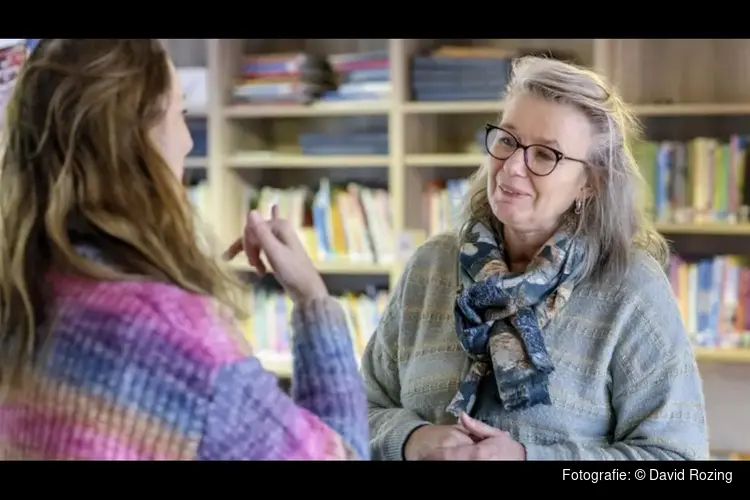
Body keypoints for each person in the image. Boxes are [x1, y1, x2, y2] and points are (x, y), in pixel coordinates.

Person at [0, 39, 369, 460]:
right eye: (181, 114)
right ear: (141, 137)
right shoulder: (178, 341)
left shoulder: (21, 299)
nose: (189, 145)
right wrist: (313, 301)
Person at [362, 56, 709, 461]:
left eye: (545, 155)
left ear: (590, 183)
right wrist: (409, 439)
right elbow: (353, 412)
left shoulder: (632, 288)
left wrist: (530, 459)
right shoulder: (431, 266)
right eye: (507, 140)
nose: (511, 167)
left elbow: (677, 462)